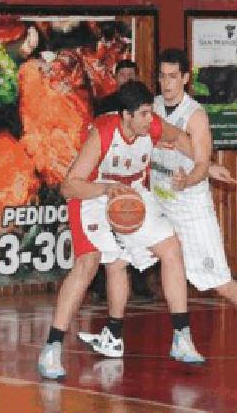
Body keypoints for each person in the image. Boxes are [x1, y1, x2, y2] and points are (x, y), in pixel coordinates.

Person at [80, 48, 237, 360]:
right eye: (162, 76)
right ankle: (117, 334)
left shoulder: (195, 115)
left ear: (186, 78)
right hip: (156, 201)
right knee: (119, 261)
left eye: (173, 77)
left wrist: (191, 178)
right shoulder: (149, 111)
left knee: (220, 283)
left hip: (190, 208)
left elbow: (202, 162)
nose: (166, 83)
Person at [37, 80, 206, 380]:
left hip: (130, 195)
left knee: (170, 249)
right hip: (91, 196)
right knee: (89, 264)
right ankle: (51, 348)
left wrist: (204, 164)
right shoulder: (102, 134)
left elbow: (181, 138)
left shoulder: (151, 126)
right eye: (142, 114)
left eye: (150, 113)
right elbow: (68, 186)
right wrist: (106, 188)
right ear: (125, 116)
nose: (149, 119)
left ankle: (179, 337)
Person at [88, 59, 156, 301]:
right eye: (123, 74)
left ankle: (140, 283)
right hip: (105, 176)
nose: (127, 78)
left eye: (131, 74)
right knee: (103, 235)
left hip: (133, 175)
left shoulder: (146, 112)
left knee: (136, 226)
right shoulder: (104, 105)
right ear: (115, 78)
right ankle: (100, 287)